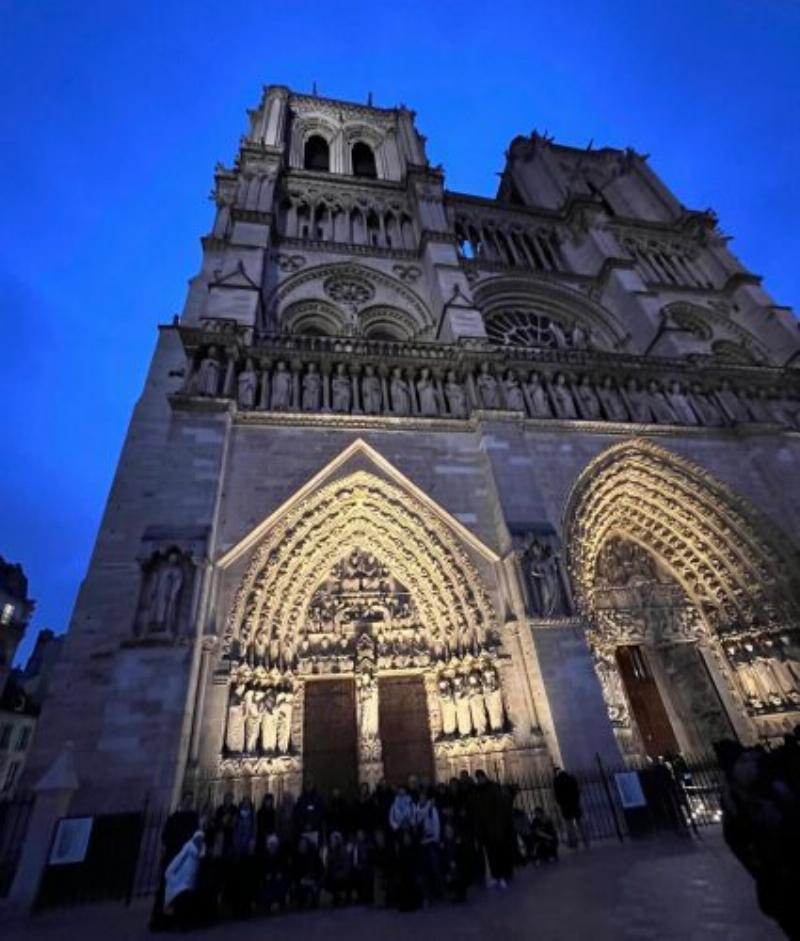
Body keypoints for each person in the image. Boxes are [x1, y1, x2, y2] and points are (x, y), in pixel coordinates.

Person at [150, 793, 199, 930]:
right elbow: (165, 836)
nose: (188, 803)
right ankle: (163, 919)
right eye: (186, 800)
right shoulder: (173, 818)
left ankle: (181, 919)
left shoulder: (193, 817)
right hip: (173, 855)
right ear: (182, 802)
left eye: (190, 800)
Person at [470, 770, 514, 889]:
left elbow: (500, 808)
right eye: (477, 778)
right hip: (485, 830)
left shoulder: (493, 788)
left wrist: (500, 825)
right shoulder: (477, 791)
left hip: (495, 827)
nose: (479, 780)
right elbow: (476, 811)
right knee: (491, 855)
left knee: (500, 853)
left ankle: (504, 875)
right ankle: (496, 876)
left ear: (485, 777)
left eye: (480, 777)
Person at [164, 830, 205, 930]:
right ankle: (180, 922)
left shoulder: (199, 852)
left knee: (185, 901)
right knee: (182, 901)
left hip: (188, 881)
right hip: (182, 880)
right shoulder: (188, 849)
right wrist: (170, 871)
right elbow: (178, 860)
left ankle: (182, 922)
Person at [414, 787, 442, 902]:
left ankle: (438, 892)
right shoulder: (416, 809)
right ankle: (428, 893)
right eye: (420, 797)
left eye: (423, 797)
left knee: (435, 867)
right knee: (425, 870)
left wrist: (436, 838)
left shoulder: (432, 809)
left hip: (431, 842)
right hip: (421, 843)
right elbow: (416, 822)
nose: (422, 799)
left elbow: (437, 825)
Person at [553, 766, 588, 848]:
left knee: (569, 826)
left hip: (565, 806)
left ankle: (574, 843)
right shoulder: (571, 778)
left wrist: (560, 803)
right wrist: (577, 801)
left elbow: (557, 794)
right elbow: (577, 791)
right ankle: (586, 841)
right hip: (574, 804)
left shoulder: (557, 781)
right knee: (580, 823)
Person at [440, 820, 470, 901]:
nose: (448, 833)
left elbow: (462, 856)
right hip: (449, 867)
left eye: (449, 830)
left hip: (458, 867)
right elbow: (443, 858)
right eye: (446, 831)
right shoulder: (444, 844)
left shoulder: (458, 842)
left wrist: (454, 862)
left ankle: (459, 892)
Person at [291, 836, 323, 909]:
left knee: (314, 886)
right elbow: (294, 871)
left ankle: (314, 901)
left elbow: (320, 869)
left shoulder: (313, 855)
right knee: (299, 887)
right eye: (301, 844)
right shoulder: (296, 857)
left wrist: (313, 878)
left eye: (304, 844)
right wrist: (301, 879)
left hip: (312, 878)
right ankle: (301, 901)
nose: (302, 846)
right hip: (300, 880)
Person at [260, 834, 289, 913]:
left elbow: (283, 868)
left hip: (277, 879)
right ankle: (267, 904)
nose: (272, 847)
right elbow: (262, 871)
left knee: (280, 883)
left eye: (274, 845)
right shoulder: (264, 857)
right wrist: (266, 875)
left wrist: (278, 874)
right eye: (271, 845)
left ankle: (280, 903)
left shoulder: (280, 856)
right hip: (267, 881)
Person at [324, 831, 354, 906]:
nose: (332, 842)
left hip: (343, 875)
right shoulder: (331, 850)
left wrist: (338, 874)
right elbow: (329, 863)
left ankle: (344, 897)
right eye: (331, 840)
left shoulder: (343, 851)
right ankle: (337, 897)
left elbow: (346, 867)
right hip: (334, 875)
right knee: (325, 881)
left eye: (333, 840)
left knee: (335, 881)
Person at [293, 779, 325, 846]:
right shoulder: (301, 799)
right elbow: (298, 814)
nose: (308, 786)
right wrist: (304, 824)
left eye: (310, 784)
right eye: (307, 784)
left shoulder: (318, 799)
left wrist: (312, 824)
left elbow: (320, 814)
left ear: (313, 785)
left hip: (315, 830)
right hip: (303, 829)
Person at [351, 828, 375, 904]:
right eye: (358, 834)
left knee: (367, 878)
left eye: (361, 834)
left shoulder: (368, 844)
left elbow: (368, 856)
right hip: (358, 867)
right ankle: (360, 897)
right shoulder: (356, 844)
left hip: (366, 866)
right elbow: (354, 856)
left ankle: (367, 897)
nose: (360, 836)